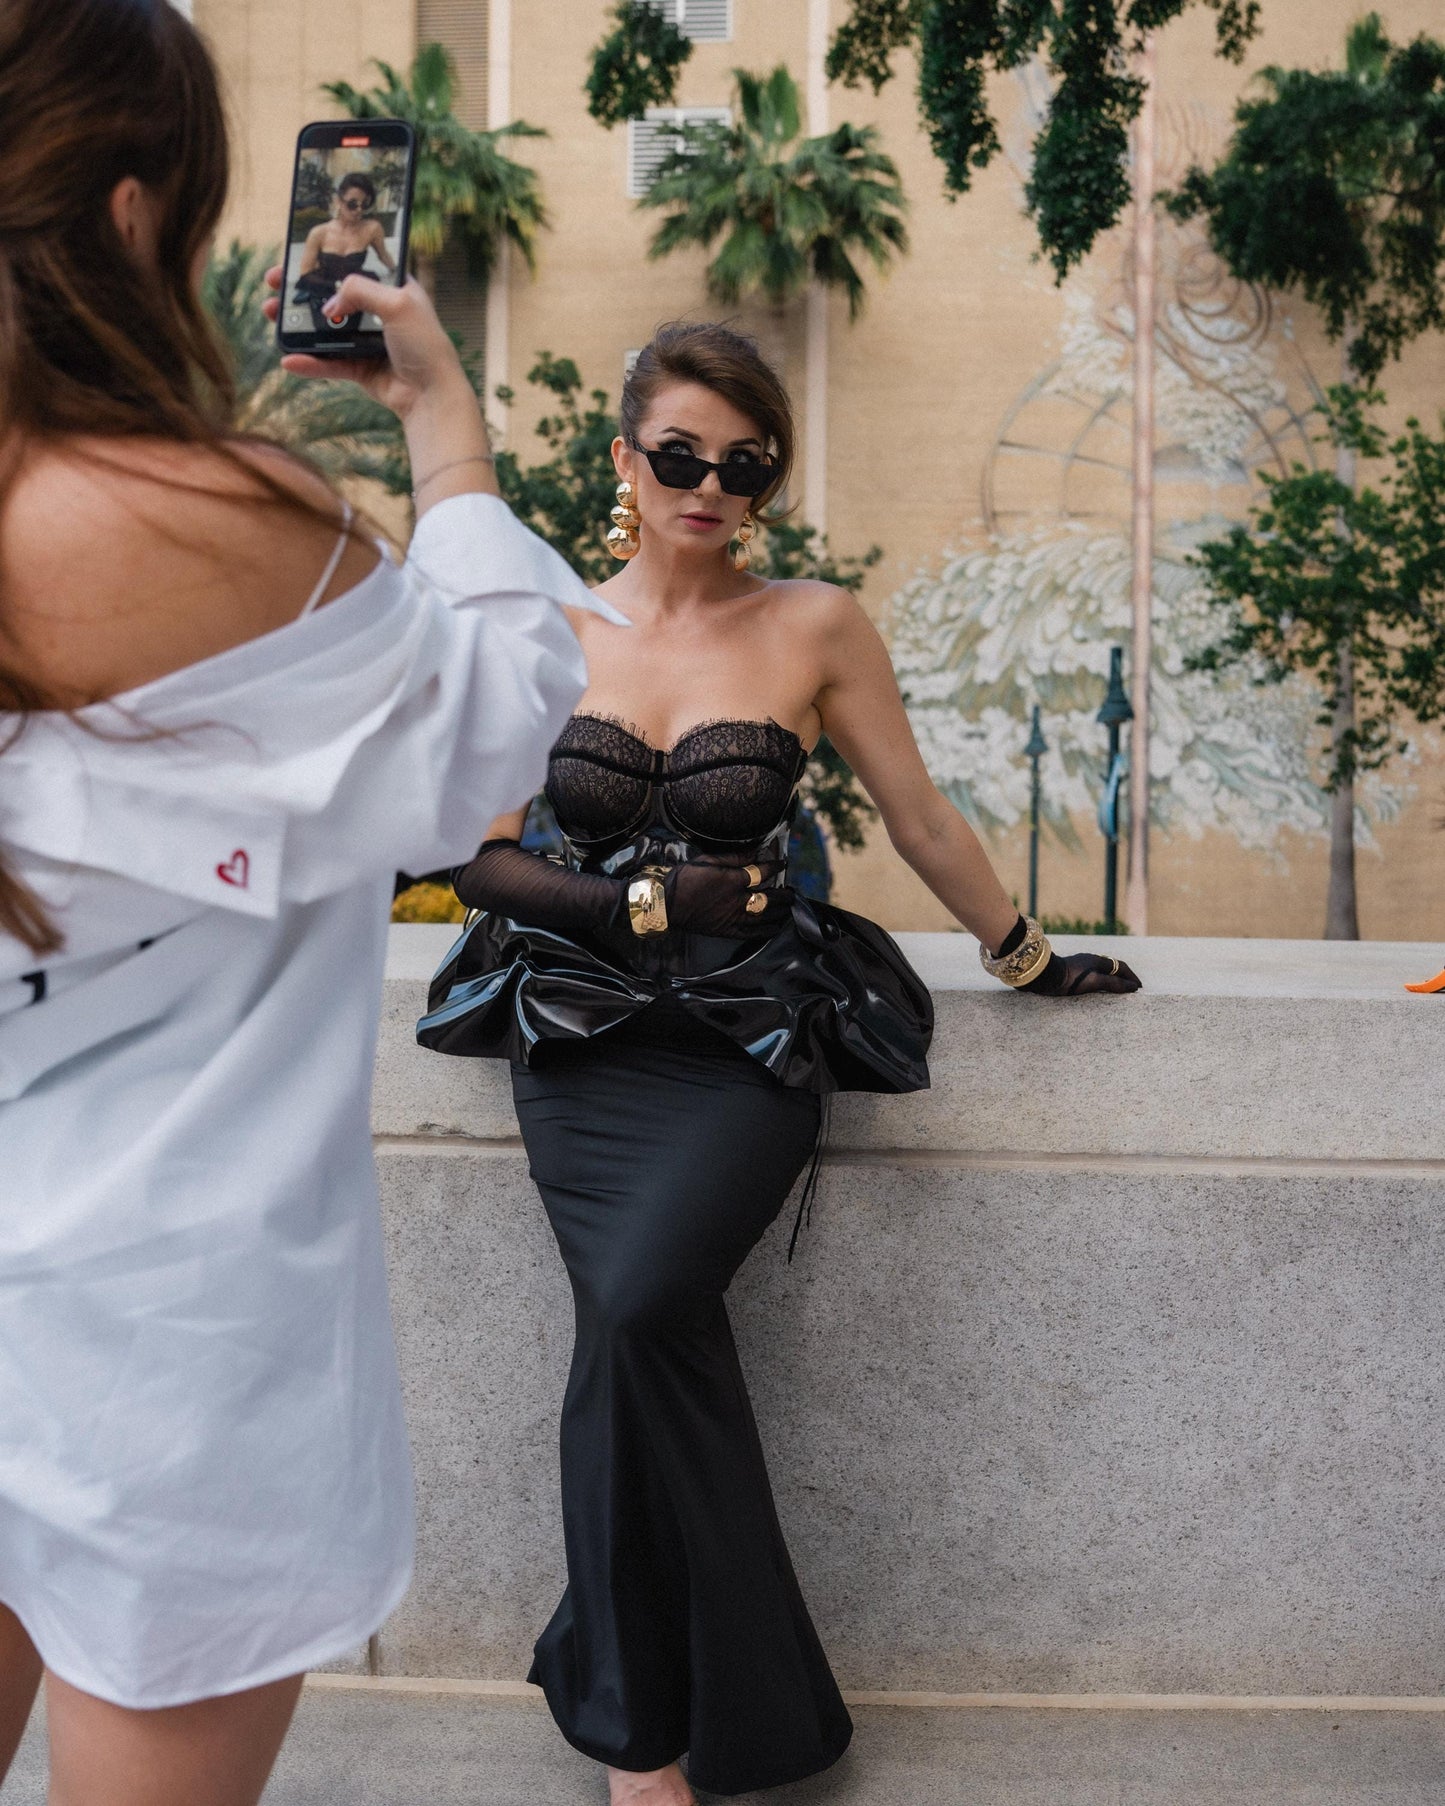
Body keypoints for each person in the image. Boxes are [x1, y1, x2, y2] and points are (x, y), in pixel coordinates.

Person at [0, 2, 621, 1802]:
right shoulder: (218, 521)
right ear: (135, 221)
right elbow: (492, 741)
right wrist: (444, 428)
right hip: (160, 1343)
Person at [425, 321, 1142, 1805]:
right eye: (681, 455)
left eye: (745, 463)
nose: (712, 484)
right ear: (625, 459)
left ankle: (624, 1689)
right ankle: (658, 1740)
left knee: (641, 1302)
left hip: (747, 1038)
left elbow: (926, 820)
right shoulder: (549, 626)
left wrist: (1026, 954)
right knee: (632, 1322)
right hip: (580, 1037)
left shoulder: (815, 624)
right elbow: (474, 862)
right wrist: (634, 898)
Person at [292, 171, 397, 333]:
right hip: (324, 291)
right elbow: (305, 274)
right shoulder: (319, 232)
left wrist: (398, 272)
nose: (359, 210)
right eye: (352, 204)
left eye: (365, 204)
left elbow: (383, 255)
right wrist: (337, 286)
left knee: (351, 335)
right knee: (325, 332)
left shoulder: (372, 228)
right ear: (338, 202)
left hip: (353, 294)